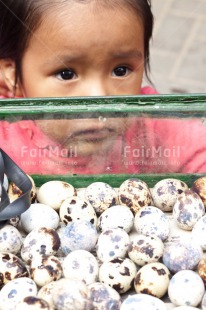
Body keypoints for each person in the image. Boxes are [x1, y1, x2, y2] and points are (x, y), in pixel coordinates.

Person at [0, 0, 206, 175]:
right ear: (12, 78)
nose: (99, 100)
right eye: (67, 74)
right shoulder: (5, 135)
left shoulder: (152, 124)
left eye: (120, 70)